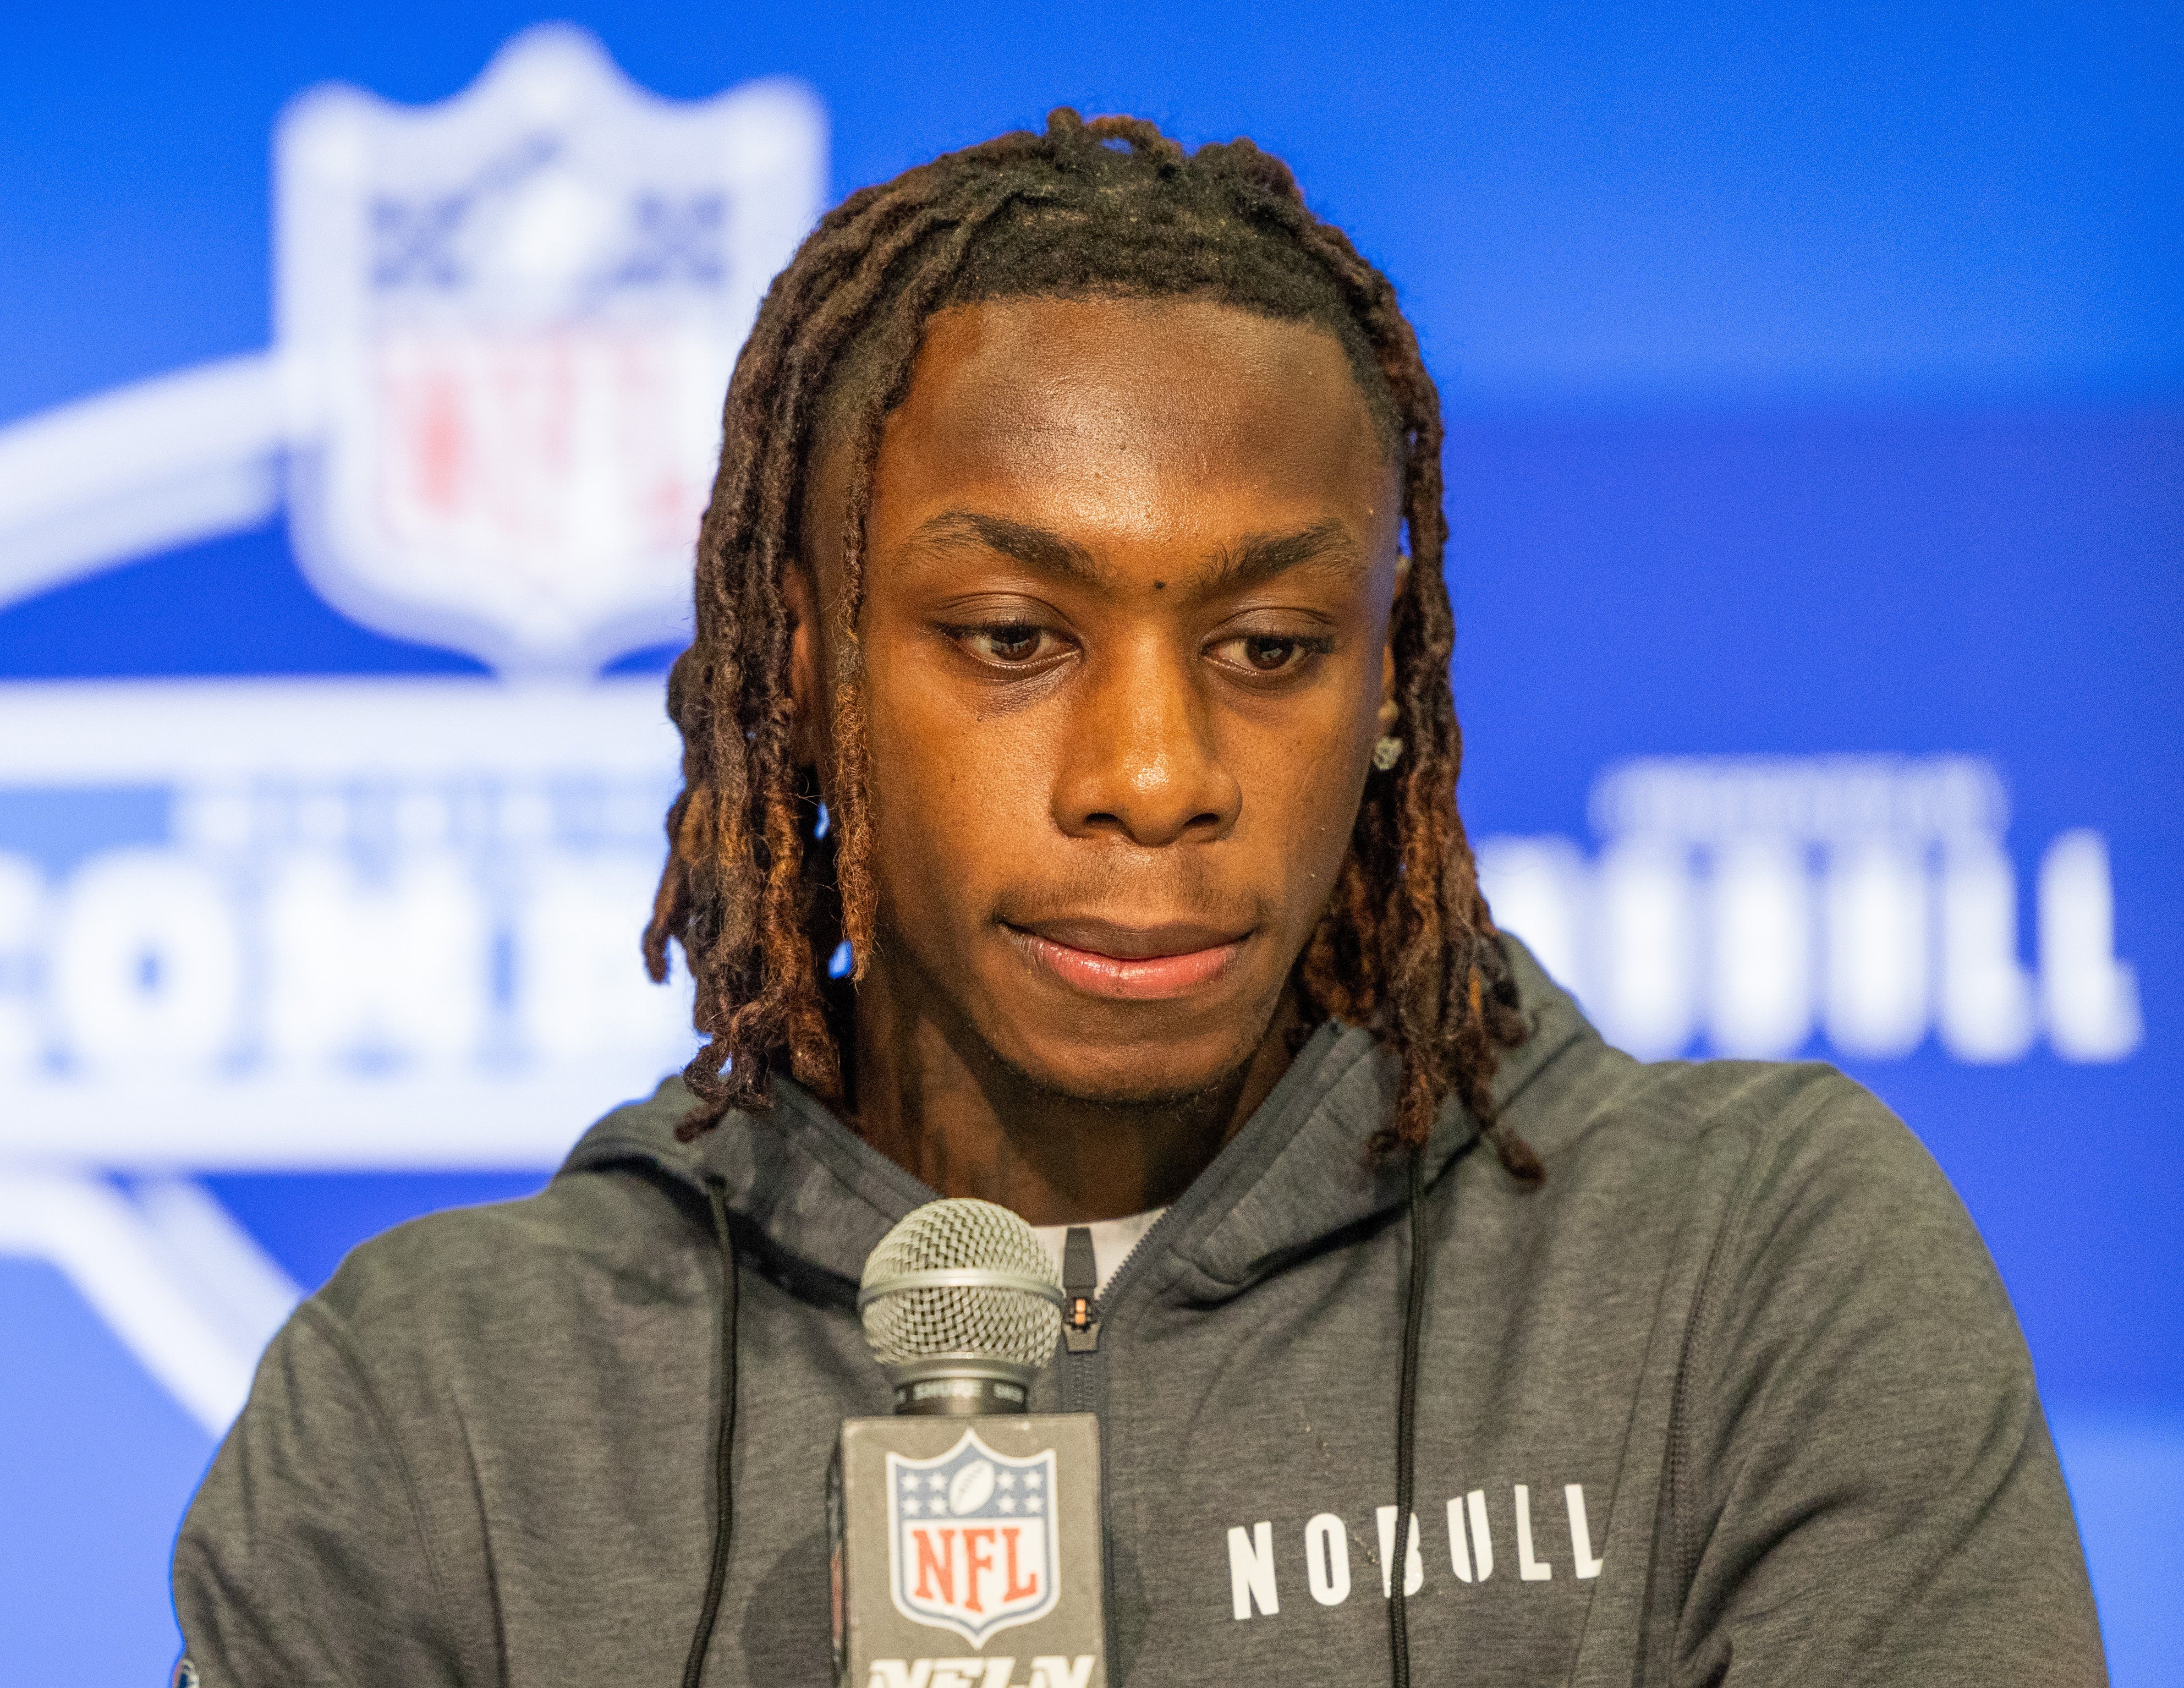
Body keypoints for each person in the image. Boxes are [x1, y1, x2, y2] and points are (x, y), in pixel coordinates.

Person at [171, 112, 2104, 1687]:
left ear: (1386, 688)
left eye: (1267, 646)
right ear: (814, 675)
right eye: (1014, 636)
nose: (1158, 771)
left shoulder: (1742, 1272)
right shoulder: (444, 1408)